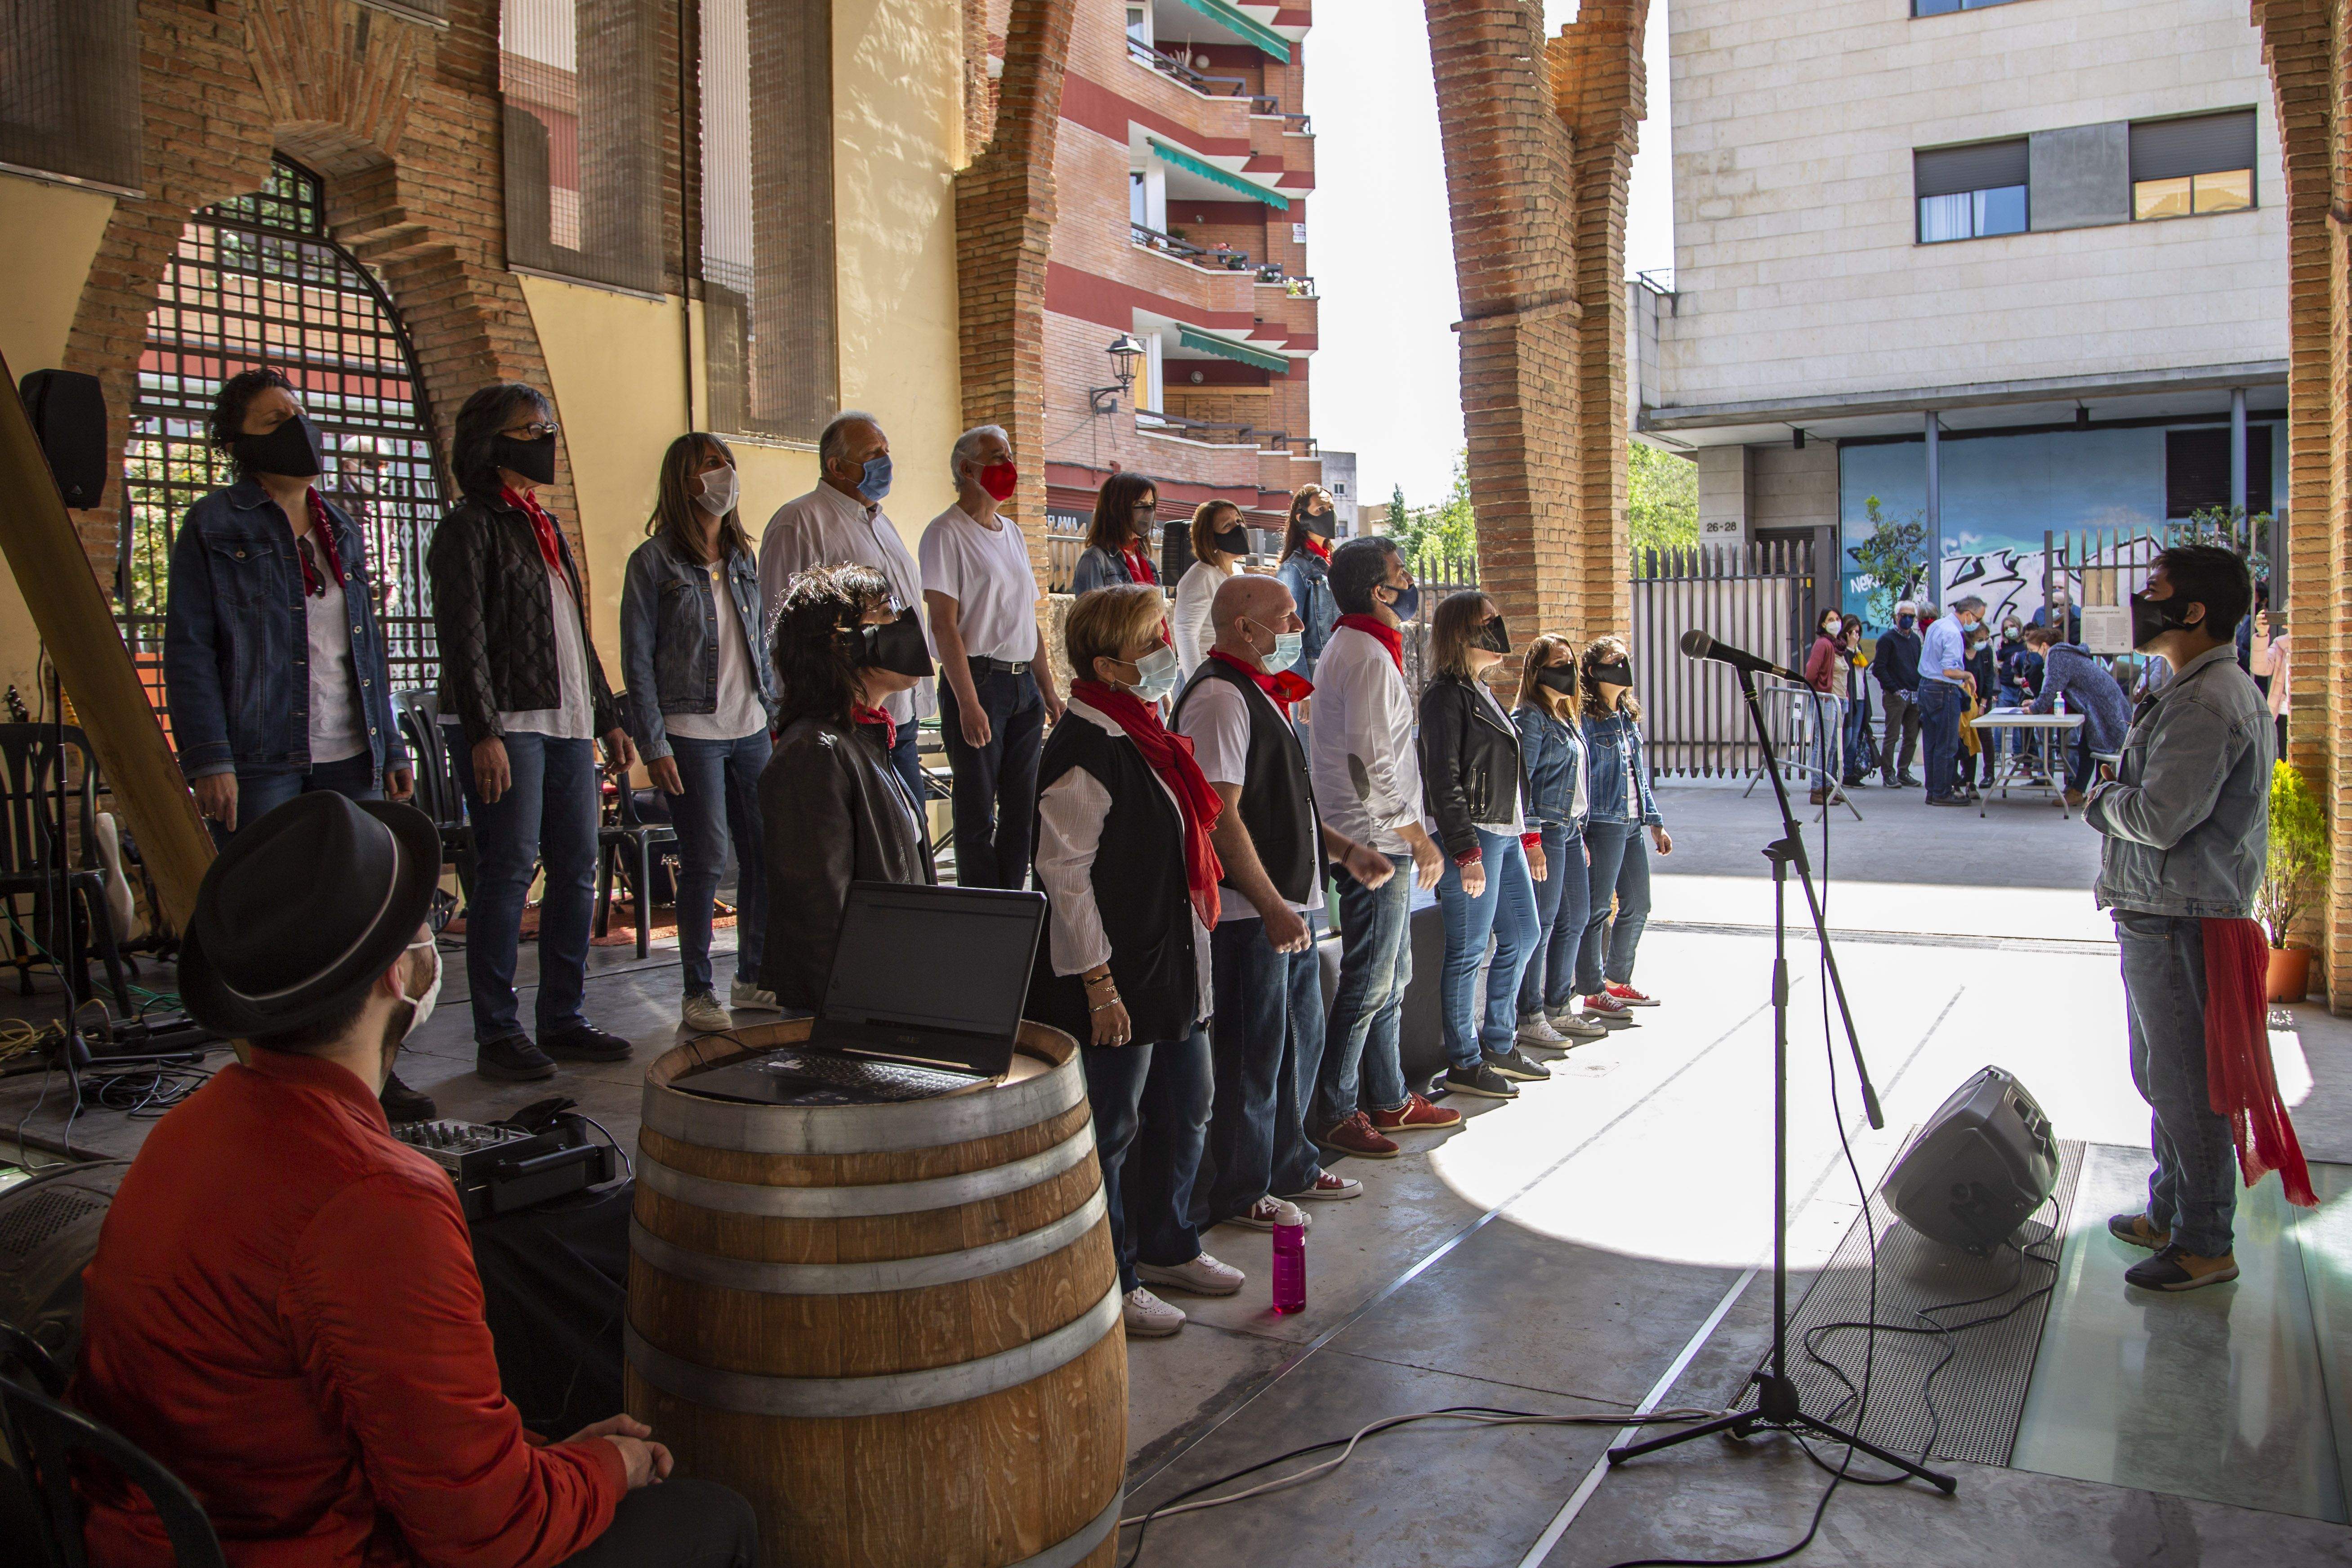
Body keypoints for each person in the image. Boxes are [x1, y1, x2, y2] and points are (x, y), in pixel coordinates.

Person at [72, 792, 759, 1568]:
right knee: (709, 1518)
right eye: (423, 922)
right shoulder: (374, 1199)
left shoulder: (191, 1126)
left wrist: (539, 1460)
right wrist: (609, 1466)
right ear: (399, 977)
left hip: (149, 1535)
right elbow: (483, 1532)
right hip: (286, 1549)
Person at [164, 367, 428, 1121]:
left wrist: (394, 752)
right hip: (262, 755)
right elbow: (189, 647)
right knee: (279, 923)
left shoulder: (339, 526)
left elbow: (366, 649)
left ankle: (376, 1064)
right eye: (276, 417)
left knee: (367, 914)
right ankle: (284, 1083)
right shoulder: (215, 526)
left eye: (300, 412)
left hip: (352, 750)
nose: (299, 426)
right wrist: (209, 757)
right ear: (240, 442)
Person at [2088, 545, 2301, 1292]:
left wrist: (2102, 800)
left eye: (2155, 592)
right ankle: (2171, 1211)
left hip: (2178, 915)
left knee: (2183, 1083)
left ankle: (2206, 1239)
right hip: (2162, 909)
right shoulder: (2195, 687)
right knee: (2164, 1073)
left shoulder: (2210, 698)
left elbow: (2162, 813)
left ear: (2194, 611)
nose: (2141, 603)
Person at [1031, 585, 1240, 1338]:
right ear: (1110, 665)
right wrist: (1098, 983)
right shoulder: (1086, 746)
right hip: (1114, 974)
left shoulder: (1142, 733)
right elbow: (1064, 875)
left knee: (1188, 1105)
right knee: (1112, 1127)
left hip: (1170, 960)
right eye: (1152, 640)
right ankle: (1114, 1278)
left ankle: (1168, 1243)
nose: (1165, 651)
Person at [428, 383, 637, 1083]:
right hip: (508, 723)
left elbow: (574, 632)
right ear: (492, 440)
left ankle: (563, 1015)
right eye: (529, 427)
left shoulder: (542, 526)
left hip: (568, 720)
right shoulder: (468, 527)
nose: (544, 436)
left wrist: (608, 716)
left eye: (546, 424)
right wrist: (483, 730)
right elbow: (464, 639)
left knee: (577, 868)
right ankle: (496, 1028)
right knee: (509, 869)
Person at [1172, 574, 1381, 1228]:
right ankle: (1241, 1190)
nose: (1298, 629)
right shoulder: (1217, 698)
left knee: (1297, 1046)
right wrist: (1267, 904)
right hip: (1248, 916)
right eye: (1287, 618)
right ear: (1243, 626)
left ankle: (1289, 1162)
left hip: (1288, 906)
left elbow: (1279, 803)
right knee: (1252, 1059)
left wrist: (1342, 849)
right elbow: (1220, 818)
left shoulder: (1261, 694)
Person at [620, 433, 779, 1035]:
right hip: (691, 732)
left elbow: (758, 645)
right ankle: (696, 987)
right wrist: (652, 742)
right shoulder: (654, 563)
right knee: (708, 857)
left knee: (764, 851)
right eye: (712, 465)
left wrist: (776, 714)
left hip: (751, 727)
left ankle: (752, 974)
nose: (726, 474)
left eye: (726, 464)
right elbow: (637, 661)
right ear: (685, 480)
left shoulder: (743, 556)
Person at [1307, 537, 1452, 1159]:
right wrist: (1416, 837)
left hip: (1380, 833)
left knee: (1393, 975)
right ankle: (1338, 1111)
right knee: (1368, 979)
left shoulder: (1365, 645)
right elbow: (1370, 766)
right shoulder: (1363, 653)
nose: (1411, 579)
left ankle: (1389, 1096)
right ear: (1378, 591)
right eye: (1401, 572)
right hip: (1374, 839)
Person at [760, 563, 937, 1009]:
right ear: (842, 645)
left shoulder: (867, 740)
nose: (902, 624)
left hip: (892, 992)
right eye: (883, 614)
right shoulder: (814, 754)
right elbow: (818, 918)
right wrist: (852, 1018)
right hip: (857, 1006)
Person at [757, 410, 933, 804]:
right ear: (836, 465)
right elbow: (778, 627)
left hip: (894, 710)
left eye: (886, 450)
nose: (885, 462)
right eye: (873, 453)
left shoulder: (881, 522)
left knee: (908, 830)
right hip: (840, 716)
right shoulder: (800, 522)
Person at [921, 425, 1066, 888]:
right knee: (977, 805)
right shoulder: (945, 533)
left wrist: (1047, 687)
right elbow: (944, 623)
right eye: (995, 456)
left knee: (1022, 805)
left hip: (1022, 682)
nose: (1007, 464)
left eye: (1008, 454)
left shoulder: (1013, 534)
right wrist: (967, 702)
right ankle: (982, 907)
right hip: (979, 680)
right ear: (967, 469)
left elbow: (1028, 616)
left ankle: (1011, 901)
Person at [1419, 591, 1550, 1100]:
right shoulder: (1444, 694)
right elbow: (1442, 776)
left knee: (1523, 933)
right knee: (1469, 949)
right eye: (1488, 619)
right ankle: (1464, 1060)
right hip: (1474, 835)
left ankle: (1497, 1040)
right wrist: (1464, 849)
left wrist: (1526, 832)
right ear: (1461, 631)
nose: (1498, 626)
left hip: (1504, 830)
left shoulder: (1480, 688)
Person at [1514, 634, 1606, 1044]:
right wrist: (1531, 839)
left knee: (1578, 916)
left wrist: (1580, 833)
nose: (1568, 669)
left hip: (1570, 830)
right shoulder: (1531, 718)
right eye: (1558, 663)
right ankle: (1530, 1013)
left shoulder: (1566, 717)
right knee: (1545, 922)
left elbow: (1576, 784)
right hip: (1546, 829)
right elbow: (1523, 782)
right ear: (1537, 671)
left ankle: (1557, 1004)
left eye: (1570, 661)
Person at [1575, 636, 1672, 1024]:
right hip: (1603, 822)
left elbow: (1639, 775)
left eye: (1625, 658)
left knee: (1638, 903)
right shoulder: (1586, 717)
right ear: (1595, 671)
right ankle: (1592, 989)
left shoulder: (1626, 717)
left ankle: (1617, 979)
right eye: (1615, 660)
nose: (1624, 666)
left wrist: (1655, 821)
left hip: (1632, 822)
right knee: (1598, 908)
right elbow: (1581, 776)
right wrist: (1579, 830)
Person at [2026, 624, 2130, 807]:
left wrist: (2034, 708)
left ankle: (2096, 793)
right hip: (2106, 703)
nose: (2034, 655)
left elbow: (2052, 688)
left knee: (2097, 748)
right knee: (2090, 747)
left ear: (2044, 646)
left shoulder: (2057, 655)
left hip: (2104, 705)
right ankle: (2084, 791)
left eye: (2033, 651)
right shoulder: (2064, 654)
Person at [1916, 594, 1984, 806]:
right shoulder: (1954, 633)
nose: (1978, 623)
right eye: (1978, 618)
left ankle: (1934, 790)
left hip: (1927, 686)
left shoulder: (1938, 625)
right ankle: (1943, 792)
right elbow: (1949, 670)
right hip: (1944, 690)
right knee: (1946, 744)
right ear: (1968, 614)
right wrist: (1968, 675)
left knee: (1932, 743)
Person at [1172, 499, 1250, 676]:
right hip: (1206, 675)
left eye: (1239, 521)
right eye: (1227, 525)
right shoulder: (1201, 576)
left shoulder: (1237, 571)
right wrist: (1198, 683)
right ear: (1211, 538)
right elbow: (1186, 635)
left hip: (1228, 674)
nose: (1238, 528)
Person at [1275, 485, 1340, 695]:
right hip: (1315, 671)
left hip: (1340, 664)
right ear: (1301, 518)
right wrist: (1302, 690)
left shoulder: (1336, 563)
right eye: (1320, 509)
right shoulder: (1294, 568)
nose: (1329, 514)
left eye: (1331, 508)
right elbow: (1289, 633)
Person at [1070, 470, 1161, 595]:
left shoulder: (1147, 561)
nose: (1149, 511)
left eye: (1151, 504)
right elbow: (1090, 614)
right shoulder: (1094, 560)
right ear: (1117, 508)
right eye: (1140, 503)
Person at [1872, 600, 1923, 788]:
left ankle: (1903, 770)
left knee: (1911, 736)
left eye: (1911, 616)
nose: (1908, 619)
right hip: (1896, 695)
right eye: (1904, 615)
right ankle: (1888, 773)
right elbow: (1879, 668)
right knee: (1892, 735)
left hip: (1914, 694)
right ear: (1897, 617)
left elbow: (1919, 664)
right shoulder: (1887, 639)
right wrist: (1893, 688)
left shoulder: (1916, 640)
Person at [1802, 606, 1845, 805]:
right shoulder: (1823, 644)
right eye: (1830, 619)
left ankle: (1827, 786)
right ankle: (1817, 788)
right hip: (1826, 700)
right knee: (1823, 745)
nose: (1836, 622)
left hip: (1837, 701)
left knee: (1832, 746)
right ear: (1823, 624)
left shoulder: (1837, 645)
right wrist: (1821, 689)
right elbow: (1811, 673)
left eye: (1837, 618)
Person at [1838, 616, 1875, 789]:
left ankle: (1850, 772)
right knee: (1848, 737)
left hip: (1860, 698)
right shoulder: (1842, 649)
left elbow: (1862, 670)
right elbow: (1846, 667)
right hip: (1849, 699)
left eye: (1858, 632)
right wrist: (1851, 647)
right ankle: (1844, 772)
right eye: (1852, 632)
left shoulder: (1858, 650)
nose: (1855, 636)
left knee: (1856, 736)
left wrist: (1855, 649)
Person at [2252, 608, 2290, 760]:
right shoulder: (2281, 645)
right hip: (2281, 713)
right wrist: (2262, 635)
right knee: (2281, 759)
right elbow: (2260, 668)